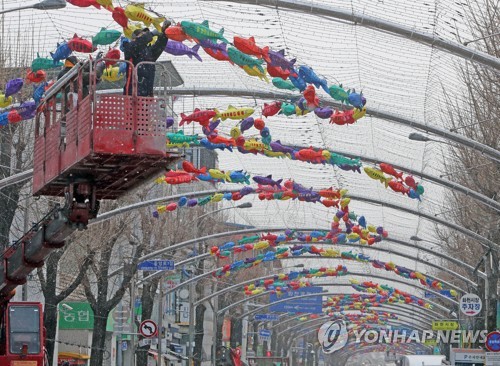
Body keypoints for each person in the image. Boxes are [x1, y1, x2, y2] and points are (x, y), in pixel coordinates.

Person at [122, 20, 170, 97]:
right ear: (135, 37)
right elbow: (137, 44)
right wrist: (151, 34)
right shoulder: (129, 48)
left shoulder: (149, 52)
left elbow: (159, 47)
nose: (146, 35)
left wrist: (163, 34)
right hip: (132, 93)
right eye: (143, 34)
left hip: (147, 93)